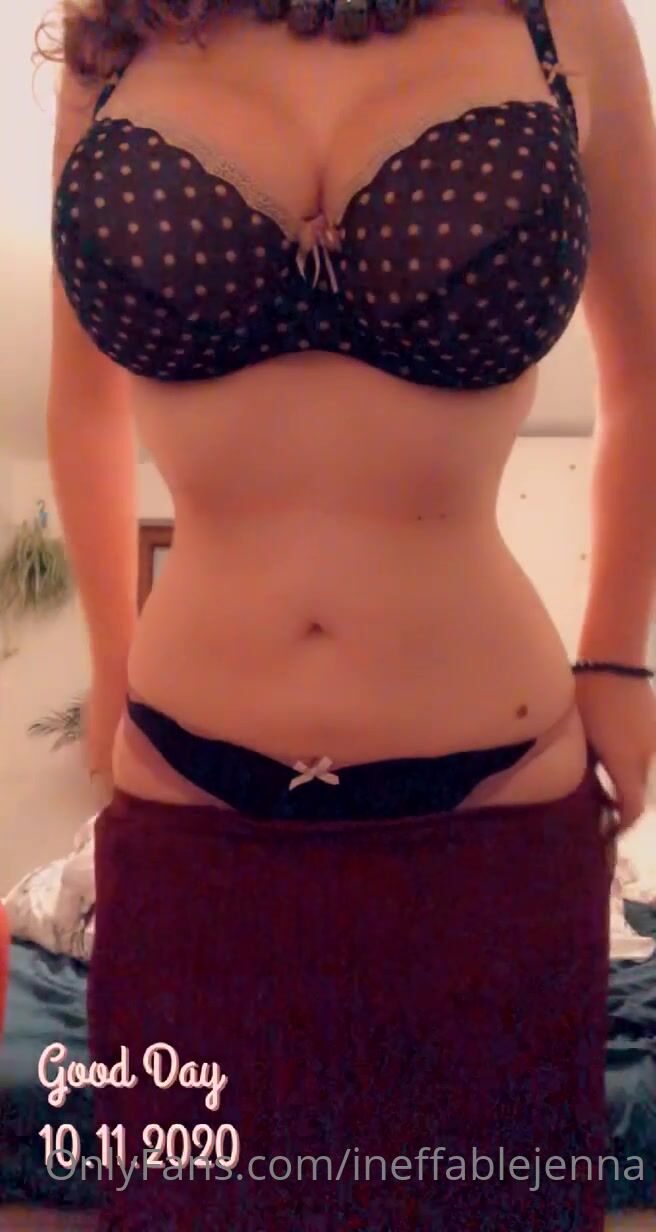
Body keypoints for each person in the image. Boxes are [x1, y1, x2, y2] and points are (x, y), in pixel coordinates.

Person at [38, 0, 656, 1226]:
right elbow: (82, 404)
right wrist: (112, 664)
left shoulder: (566, 24)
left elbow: (642, 379)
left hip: (493, 816)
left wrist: (616, 664)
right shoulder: (116, 38)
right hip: (188, 807)